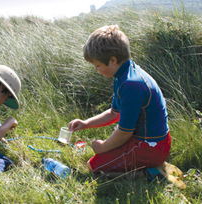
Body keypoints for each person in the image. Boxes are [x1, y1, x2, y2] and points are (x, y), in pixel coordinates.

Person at [68, 25, 171, 176]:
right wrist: (86, 123)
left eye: (97, 65)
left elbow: (124, 132)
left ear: (113, 60)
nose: (96, 70)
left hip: (151, 147)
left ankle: (149, 172)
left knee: (94, 167)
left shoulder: (131, 85)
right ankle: (146, 165)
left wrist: (103, 147)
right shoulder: (124, 74)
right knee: (101, 158)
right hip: (149, 142)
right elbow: (114, 113)